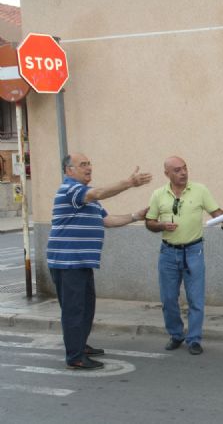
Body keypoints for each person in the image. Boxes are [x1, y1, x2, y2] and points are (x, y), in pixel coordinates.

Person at [47, 153, 152, 370]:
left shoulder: (88, 198)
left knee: (86, 307)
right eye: (83, 164)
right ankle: (75, 357)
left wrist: (136, 216)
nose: (89, 168)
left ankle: (80, 345)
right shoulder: (71, 189)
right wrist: (129, 183)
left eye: (89, 163)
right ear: (69, 170)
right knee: (74, 310)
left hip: (82, 262)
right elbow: (98, 192)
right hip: (68, 262)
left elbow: (108, 220)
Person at [145, 156, 223, 355]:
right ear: (167, 174)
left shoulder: (200, 190)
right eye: (177, 170)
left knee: (196, 299)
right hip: (168, 253)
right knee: (168, 299)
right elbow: (149, 222)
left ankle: (194, 339)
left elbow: (216, 212)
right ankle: (176, 335)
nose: (183, 172)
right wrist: (161, 225)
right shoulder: (158, 194)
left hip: (194, 251)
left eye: (184, 168)